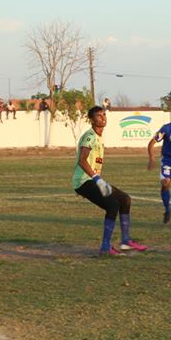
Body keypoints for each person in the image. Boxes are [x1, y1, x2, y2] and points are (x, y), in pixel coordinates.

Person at [73, 106, 147, 255]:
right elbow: (82, 161)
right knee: (112, 205)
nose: (103, 117)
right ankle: (105, 247)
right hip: (84, 181)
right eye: (99, 116)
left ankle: (125, 241)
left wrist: (98, 180)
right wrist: (97, 179)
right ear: (92, 120)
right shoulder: (90, 136)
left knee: (125, 199)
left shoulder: (99, 137)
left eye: (104, 114)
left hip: (93, 180)